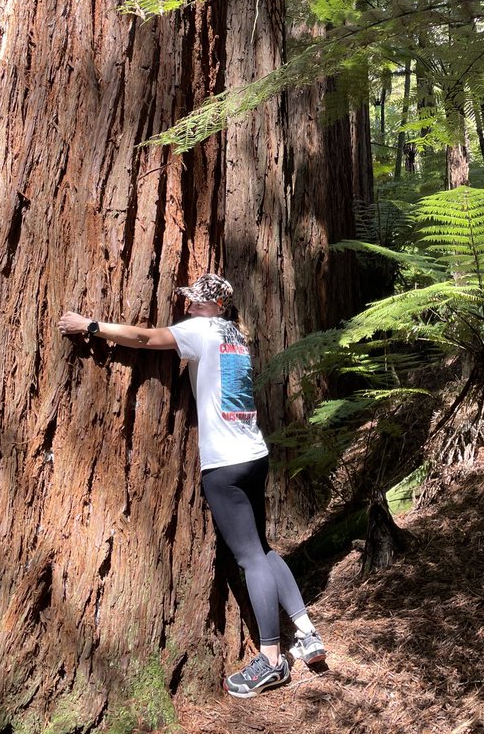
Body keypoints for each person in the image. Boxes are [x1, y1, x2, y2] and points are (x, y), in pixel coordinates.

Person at [58, 272, 326, 698]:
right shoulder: (235, 335)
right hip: (254, 455)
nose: (189, 306)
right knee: (263, 549)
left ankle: (272, 662)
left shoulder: (202, 331)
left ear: (216, 306)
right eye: (189, 300)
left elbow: (144, 339)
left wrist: (91, 326)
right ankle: (307, 633)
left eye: (197, 301)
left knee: (250, 559)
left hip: (224, 465)